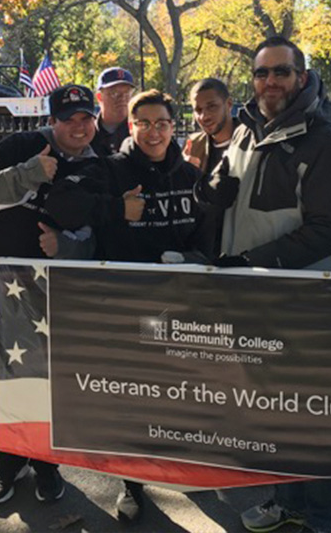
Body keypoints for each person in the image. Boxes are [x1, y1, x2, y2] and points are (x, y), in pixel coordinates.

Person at [197, 36, 331, 533]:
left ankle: (323, 515)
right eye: (262, 73)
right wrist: (210, 185)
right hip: (253, 299)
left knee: (314, 415)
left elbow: (329, 230)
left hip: (305, 302)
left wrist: (251, 262)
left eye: (281, 72)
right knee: (273, 410)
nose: (271, 82)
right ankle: (287, 502)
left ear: (302, 78)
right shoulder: (245, 133)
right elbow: (215, 195)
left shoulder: (327, 141)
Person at [45, 89, 215, 523]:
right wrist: (118, 209)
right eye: (144, 123)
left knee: (184, 391)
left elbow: (205, 234)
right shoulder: (110, 168)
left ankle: (186, 464)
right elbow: (62, 203)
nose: (154, 132)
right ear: (131, 126)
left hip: (182, 301)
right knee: (134, 397)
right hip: (126, 300)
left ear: (174, 127)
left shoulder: (190, 174)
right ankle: (132, 484)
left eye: (162, 123)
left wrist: (192, 260)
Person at [0, 84, 99, 507]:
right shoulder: (19, 145)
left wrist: (66, 245)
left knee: (40, 384)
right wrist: (29, 172)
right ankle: (5, 463)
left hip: (44, 297)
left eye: (85, 118)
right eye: (68, 118)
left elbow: (96, 236)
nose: (79, 126)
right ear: (51, 120)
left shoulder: (100, 167)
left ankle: (46, 467)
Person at [184, 77, 236, 175]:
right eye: (198, 110)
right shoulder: (193, 146)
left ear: (229, 104)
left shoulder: (252, 141)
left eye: (211, 107)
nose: (204, 116)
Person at [91, 66, 135, 156]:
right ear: (99, 97)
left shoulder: (139, 132)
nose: (122, 98)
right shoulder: (88, 134)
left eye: (127, 93)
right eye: (114, 93)